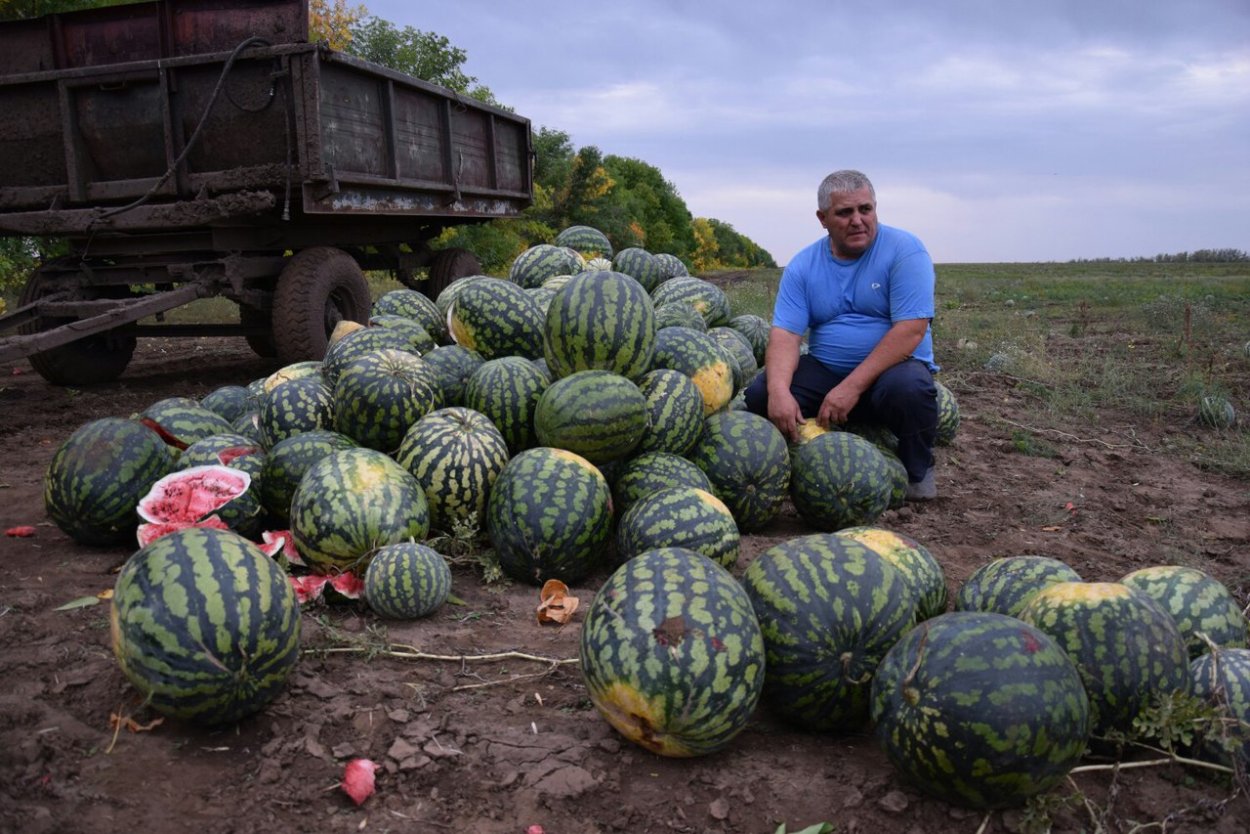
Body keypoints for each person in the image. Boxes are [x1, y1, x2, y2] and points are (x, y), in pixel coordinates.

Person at [743, 169, 940, 500]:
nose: (858, 220)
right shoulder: (803, 265)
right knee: (762, 393)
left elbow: (911, 331)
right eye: (845, 212)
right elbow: (785, 336)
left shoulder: (906, 250)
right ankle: (807, 459)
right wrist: (779, 391)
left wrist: (850, 388)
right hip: (828, 373)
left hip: (889, 376)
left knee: (911, 388)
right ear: (822, 219)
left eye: (865, 209)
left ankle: (917, 470)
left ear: (876, 208)